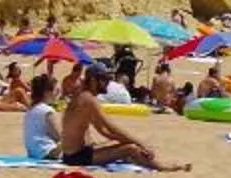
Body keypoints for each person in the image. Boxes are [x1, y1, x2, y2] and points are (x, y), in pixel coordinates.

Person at [56, 65, 188, 171]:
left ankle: (143, 156)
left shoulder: (82, 96)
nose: (107, 83)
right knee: (131, 149)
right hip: (76, 158)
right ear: (93, 81)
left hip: (73, 153)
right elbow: (111, 127)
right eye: (104, 80)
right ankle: (162, 167)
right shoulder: (88, 100)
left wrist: (124, 141)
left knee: (123, 145)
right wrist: (141, 144)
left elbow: (103, 130)